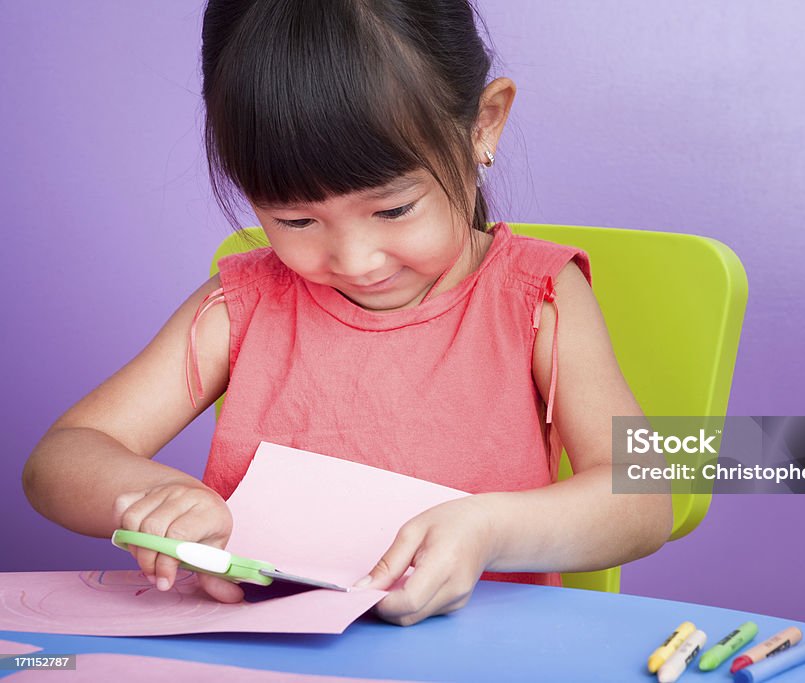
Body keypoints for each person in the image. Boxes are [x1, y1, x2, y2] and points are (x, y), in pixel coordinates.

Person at [22, 0, 672, 626]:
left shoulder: (539, 299)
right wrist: (156, 498)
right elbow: (62, 455)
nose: (355, 258)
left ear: (484, 124)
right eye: (297, 219)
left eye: (392, 209)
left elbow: (644, 496)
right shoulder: (241, 306)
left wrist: (491, 529)